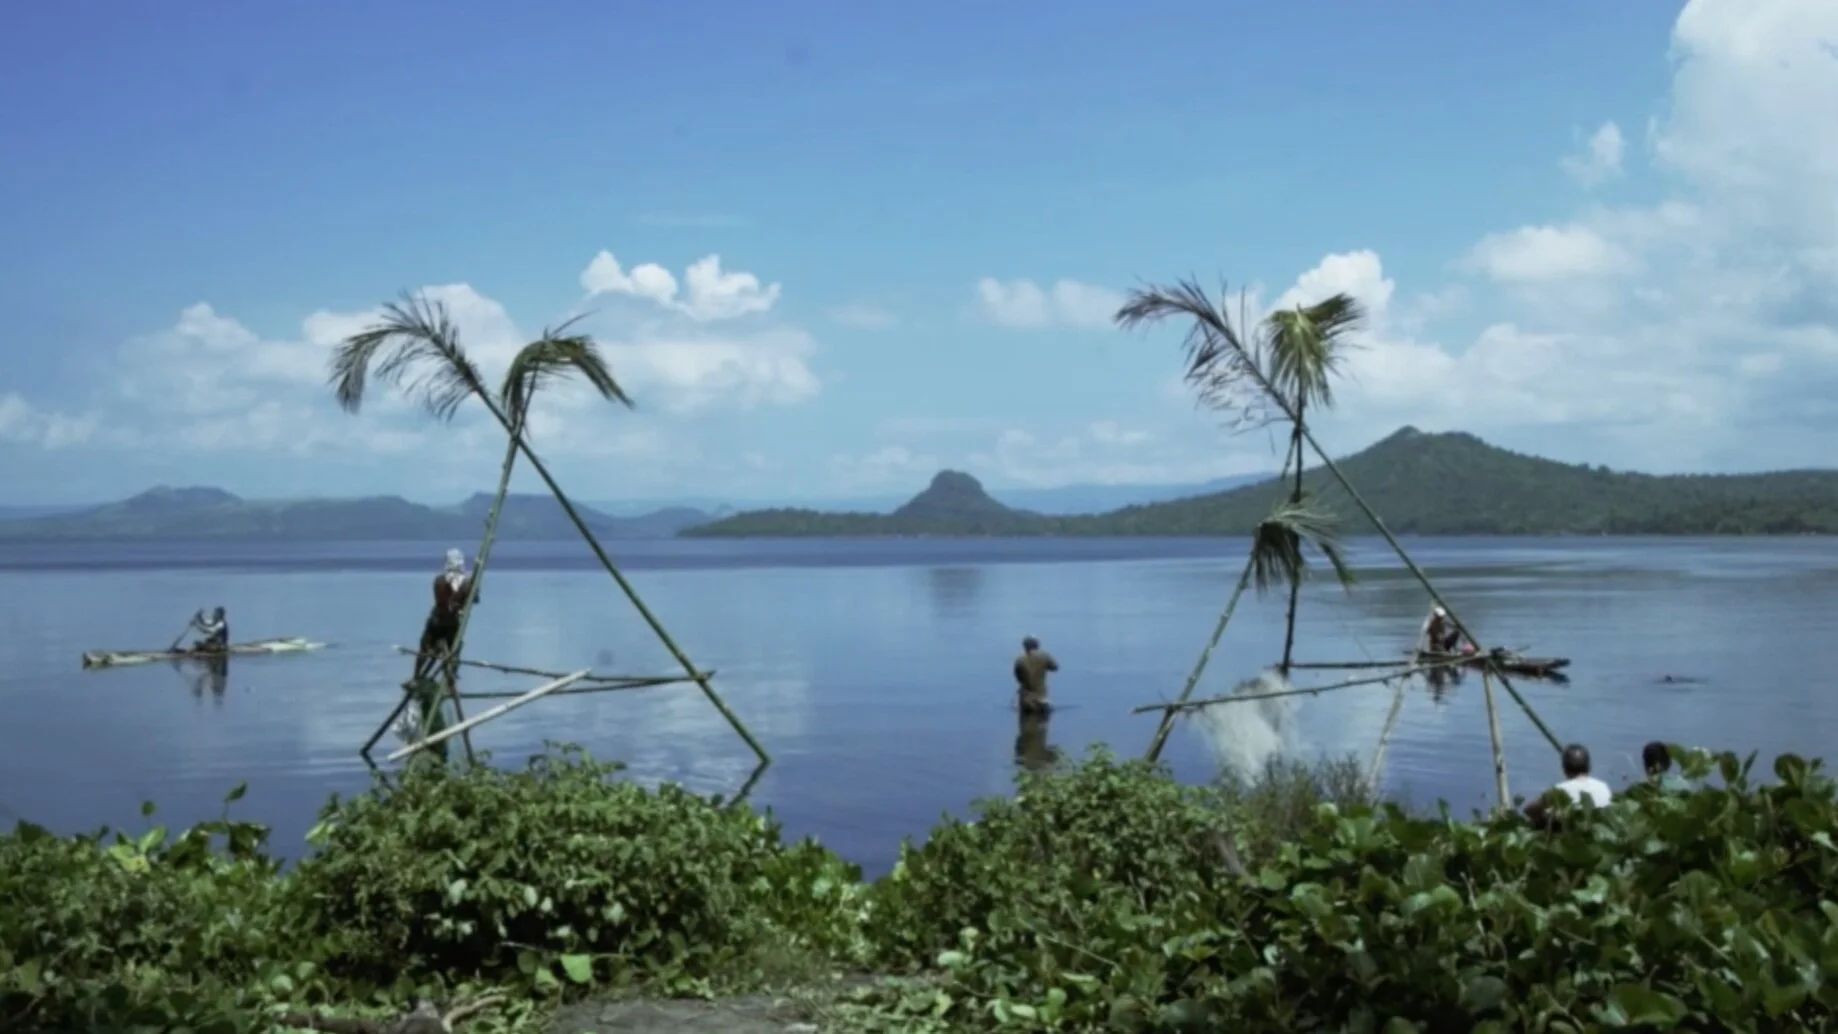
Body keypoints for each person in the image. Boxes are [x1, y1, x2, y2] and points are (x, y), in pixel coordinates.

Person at [413, 549, 478, 682]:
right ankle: (452, 674)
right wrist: (473, 587)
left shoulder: (439, 580)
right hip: (451, 624)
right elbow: (474, 599)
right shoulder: (466, 584)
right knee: (454, 648)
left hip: (436, 621)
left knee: (425, 647)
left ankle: (417, 676)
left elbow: (443, 600)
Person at [1525, 743, 1612, 828]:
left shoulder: (1559, 790)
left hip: (1572, 834)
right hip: (1597, 831)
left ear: (1564, 768)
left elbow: (1529, 811)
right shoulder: (1603, 786)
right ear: (1589, 767)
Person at [1013, 636, 1058, 715]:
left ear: (1025, 646)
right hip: (1041, 699)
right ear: (1037, 646)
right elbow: (1055, 667)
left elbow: (1018, 677)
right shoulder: (1044, 656)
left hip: (1026, 700)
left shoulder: (1019, 659)